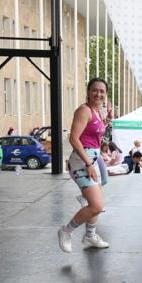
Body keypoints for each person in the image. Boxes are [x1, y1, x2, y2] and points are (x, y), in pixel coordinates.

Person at [58, 78, 112, 252]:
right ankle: (66, 231)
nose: (98, 94)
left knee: (96, 204)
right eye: (95, 90)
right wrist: (88, 163)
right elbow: (74, 138)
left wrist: (107, 121)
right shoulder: (84, 110)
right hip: (83, 161)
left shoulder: (97, 111)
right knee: (96, 206)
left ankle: (90, 236)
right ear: (88, 91)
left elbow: (93, 132)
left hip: (92, 159)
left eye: (102, 91)